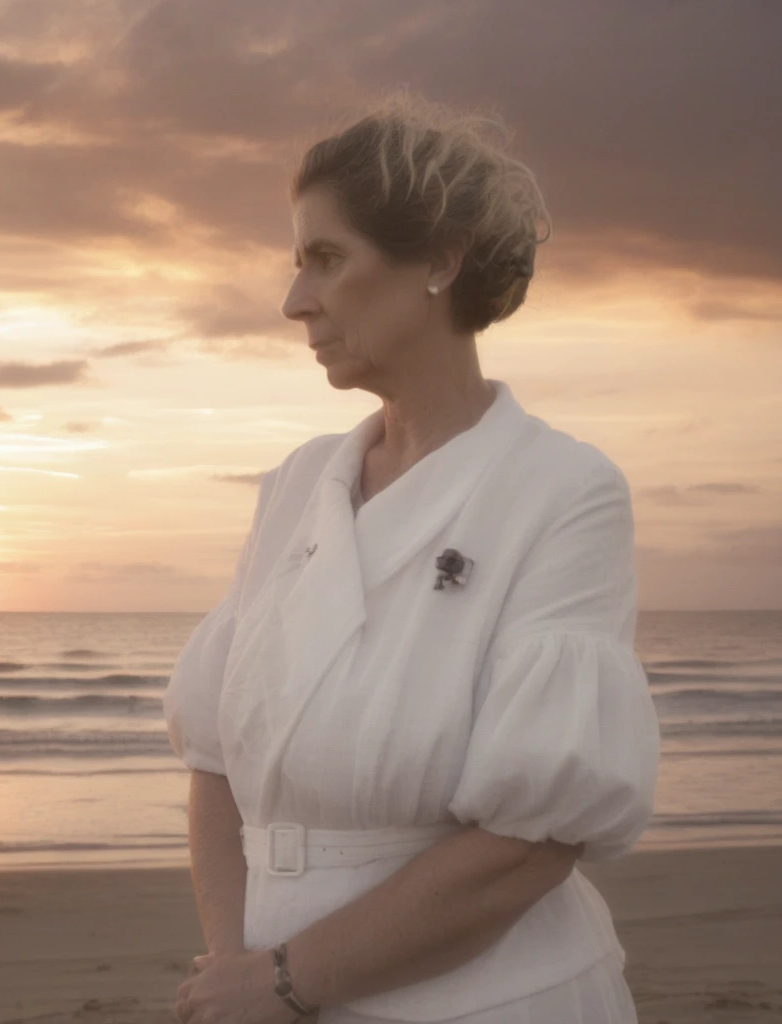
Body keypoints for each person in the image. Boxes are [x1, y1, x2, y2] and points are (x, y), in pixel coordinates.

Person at [163, 88, 661, 1024]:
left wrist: (285, 980)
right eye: (294, 261)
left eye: (325, 259)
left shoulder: (560, 490)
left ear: (438, 259)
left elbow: (527, 844)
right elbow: (218, 760)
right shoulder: (295, 487)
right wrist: (240, 972)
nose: (291, 300)